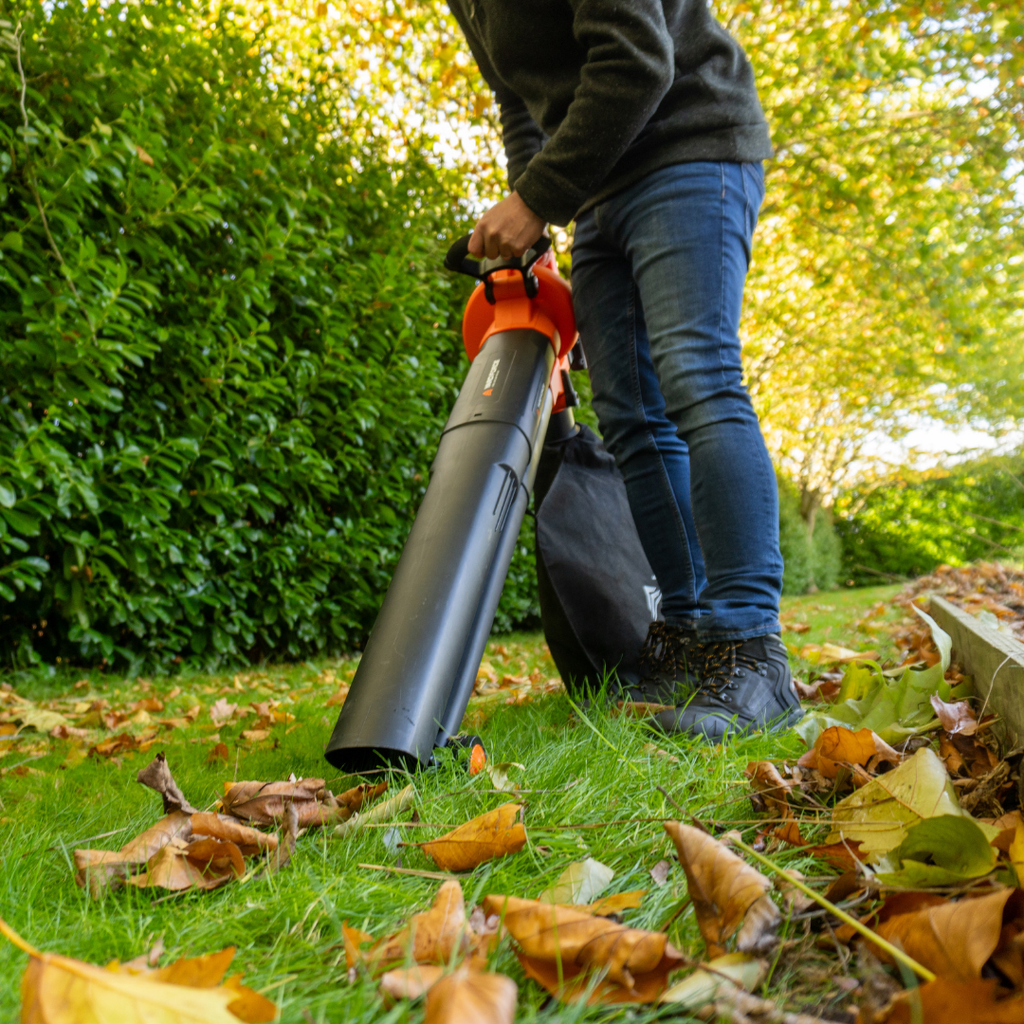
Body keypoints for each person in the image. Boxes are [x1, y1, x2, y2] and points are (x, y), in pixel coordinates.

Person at [447, 0, 803, 740]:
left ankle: (752, 654)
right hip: (599, 192)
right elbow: (521, 102)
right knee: (632, 419)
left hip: (689, 145)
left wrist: (537, 196)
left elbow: (637, 55)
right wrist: (535, 214)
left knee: (697, 380)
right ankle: (689, 639)